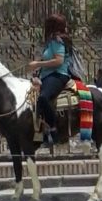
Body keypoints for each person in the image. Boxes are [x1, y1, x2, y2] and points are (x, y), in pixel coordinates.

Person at [29, 13, 71, 145]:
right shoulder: (50, 42)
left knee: (43, 98)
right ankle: (39, 133)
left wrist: (38, 64)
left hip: (58, 75)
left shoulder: (57, 40)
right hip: (48, 76)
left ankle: (53, 130)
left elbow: (59, 61)